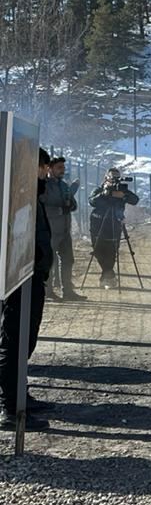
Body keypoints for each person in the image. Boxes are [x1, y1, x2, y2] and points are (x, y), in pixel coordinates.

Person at [1, 148, 54, 431]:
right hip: (17, 279)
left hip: (31, 277)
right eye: (42, 167)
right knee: (12, 341)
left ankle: (19, 394)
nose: (46, 172)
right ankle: (9, 407)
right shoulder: (17, 193)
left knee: (25, 341)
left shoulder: (33, 192)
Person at [40, 155, 85, 302]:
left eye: (63, 168)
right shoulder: (44, 186)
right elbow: (42, 207)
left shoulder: (64, 185)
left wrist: (70, 205)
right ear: (50, 169)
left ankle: (68, 291)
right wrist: (61, 210)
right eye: (59, 167)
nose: (62, 170)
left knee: (68, 260)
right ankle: (48, 292)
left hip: (65, 231)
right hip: (51, 231)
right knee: (50, 262)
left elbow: (73, 205)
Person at [88, 168, 140, 288]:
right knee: (98, 250)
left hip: (114, 223)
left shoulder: (122, 190)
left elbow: (135, 200)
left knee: (111, 252)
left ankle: (107, 277)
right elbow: (92, 201)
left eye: (117, 177)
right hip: (98, 223)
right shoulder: (100, 189)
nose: (115, 180)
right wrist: (105, 194)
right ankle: (109, 275)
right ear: (106, 178)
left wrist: (124, 196)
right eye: (113, 177)